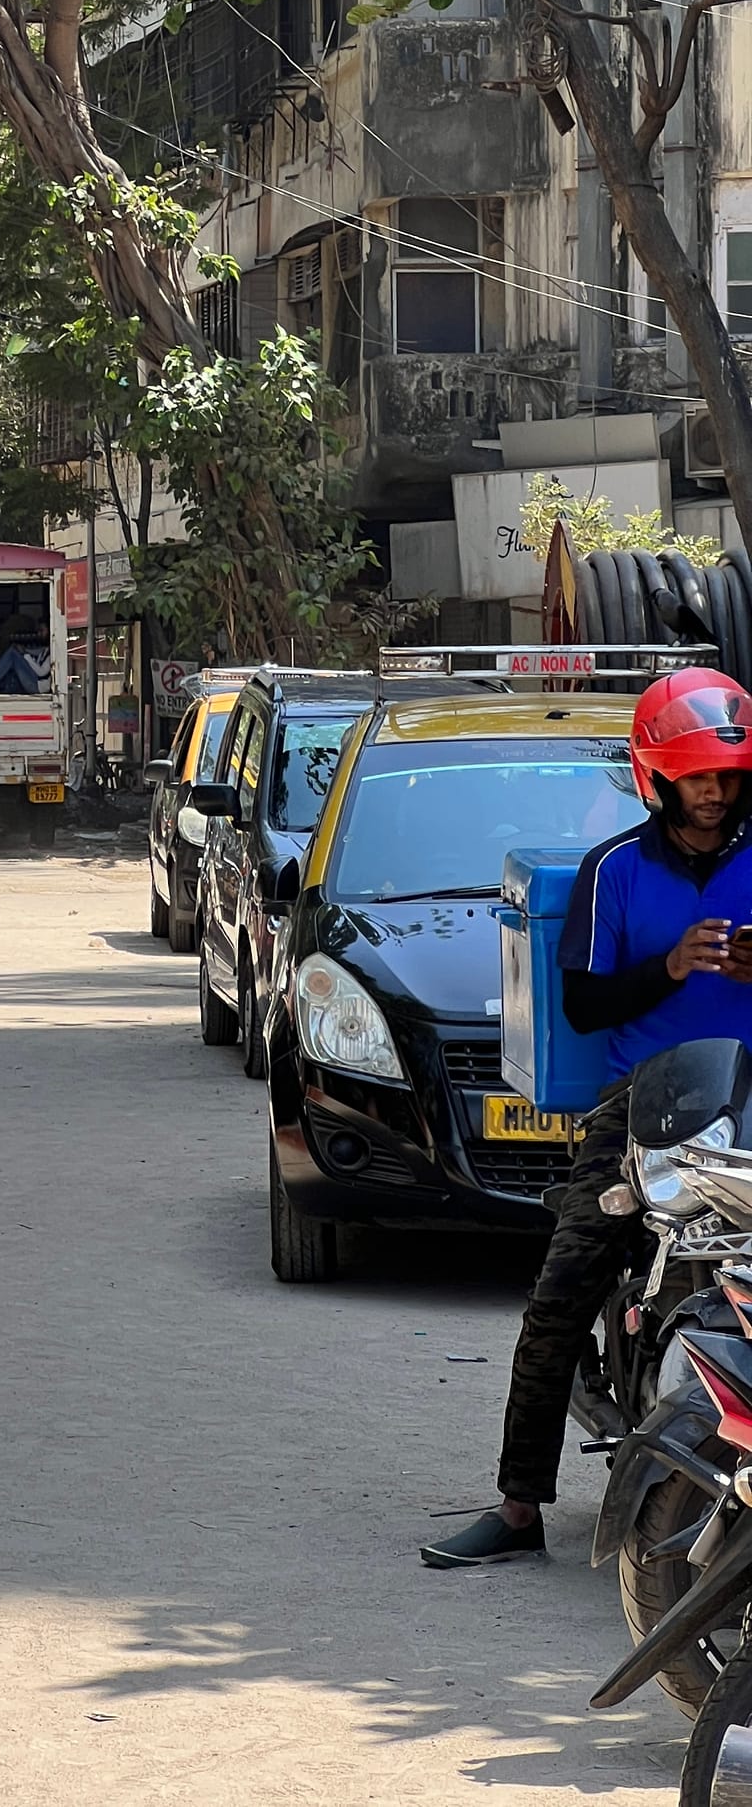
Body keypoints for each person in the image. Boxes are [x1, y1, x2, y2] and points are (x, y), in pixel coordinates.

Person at [422, 667, 752, 1568]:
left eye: (725, 775)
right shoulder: (615, 870)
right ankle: (518, 1504)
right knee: (560, 1294)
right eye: (695, 777)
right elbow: (585, 1004)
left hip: (750, 1099)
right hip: (641, 1103)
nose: (714, 793)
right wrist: (673, 966)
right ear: (658, 777)